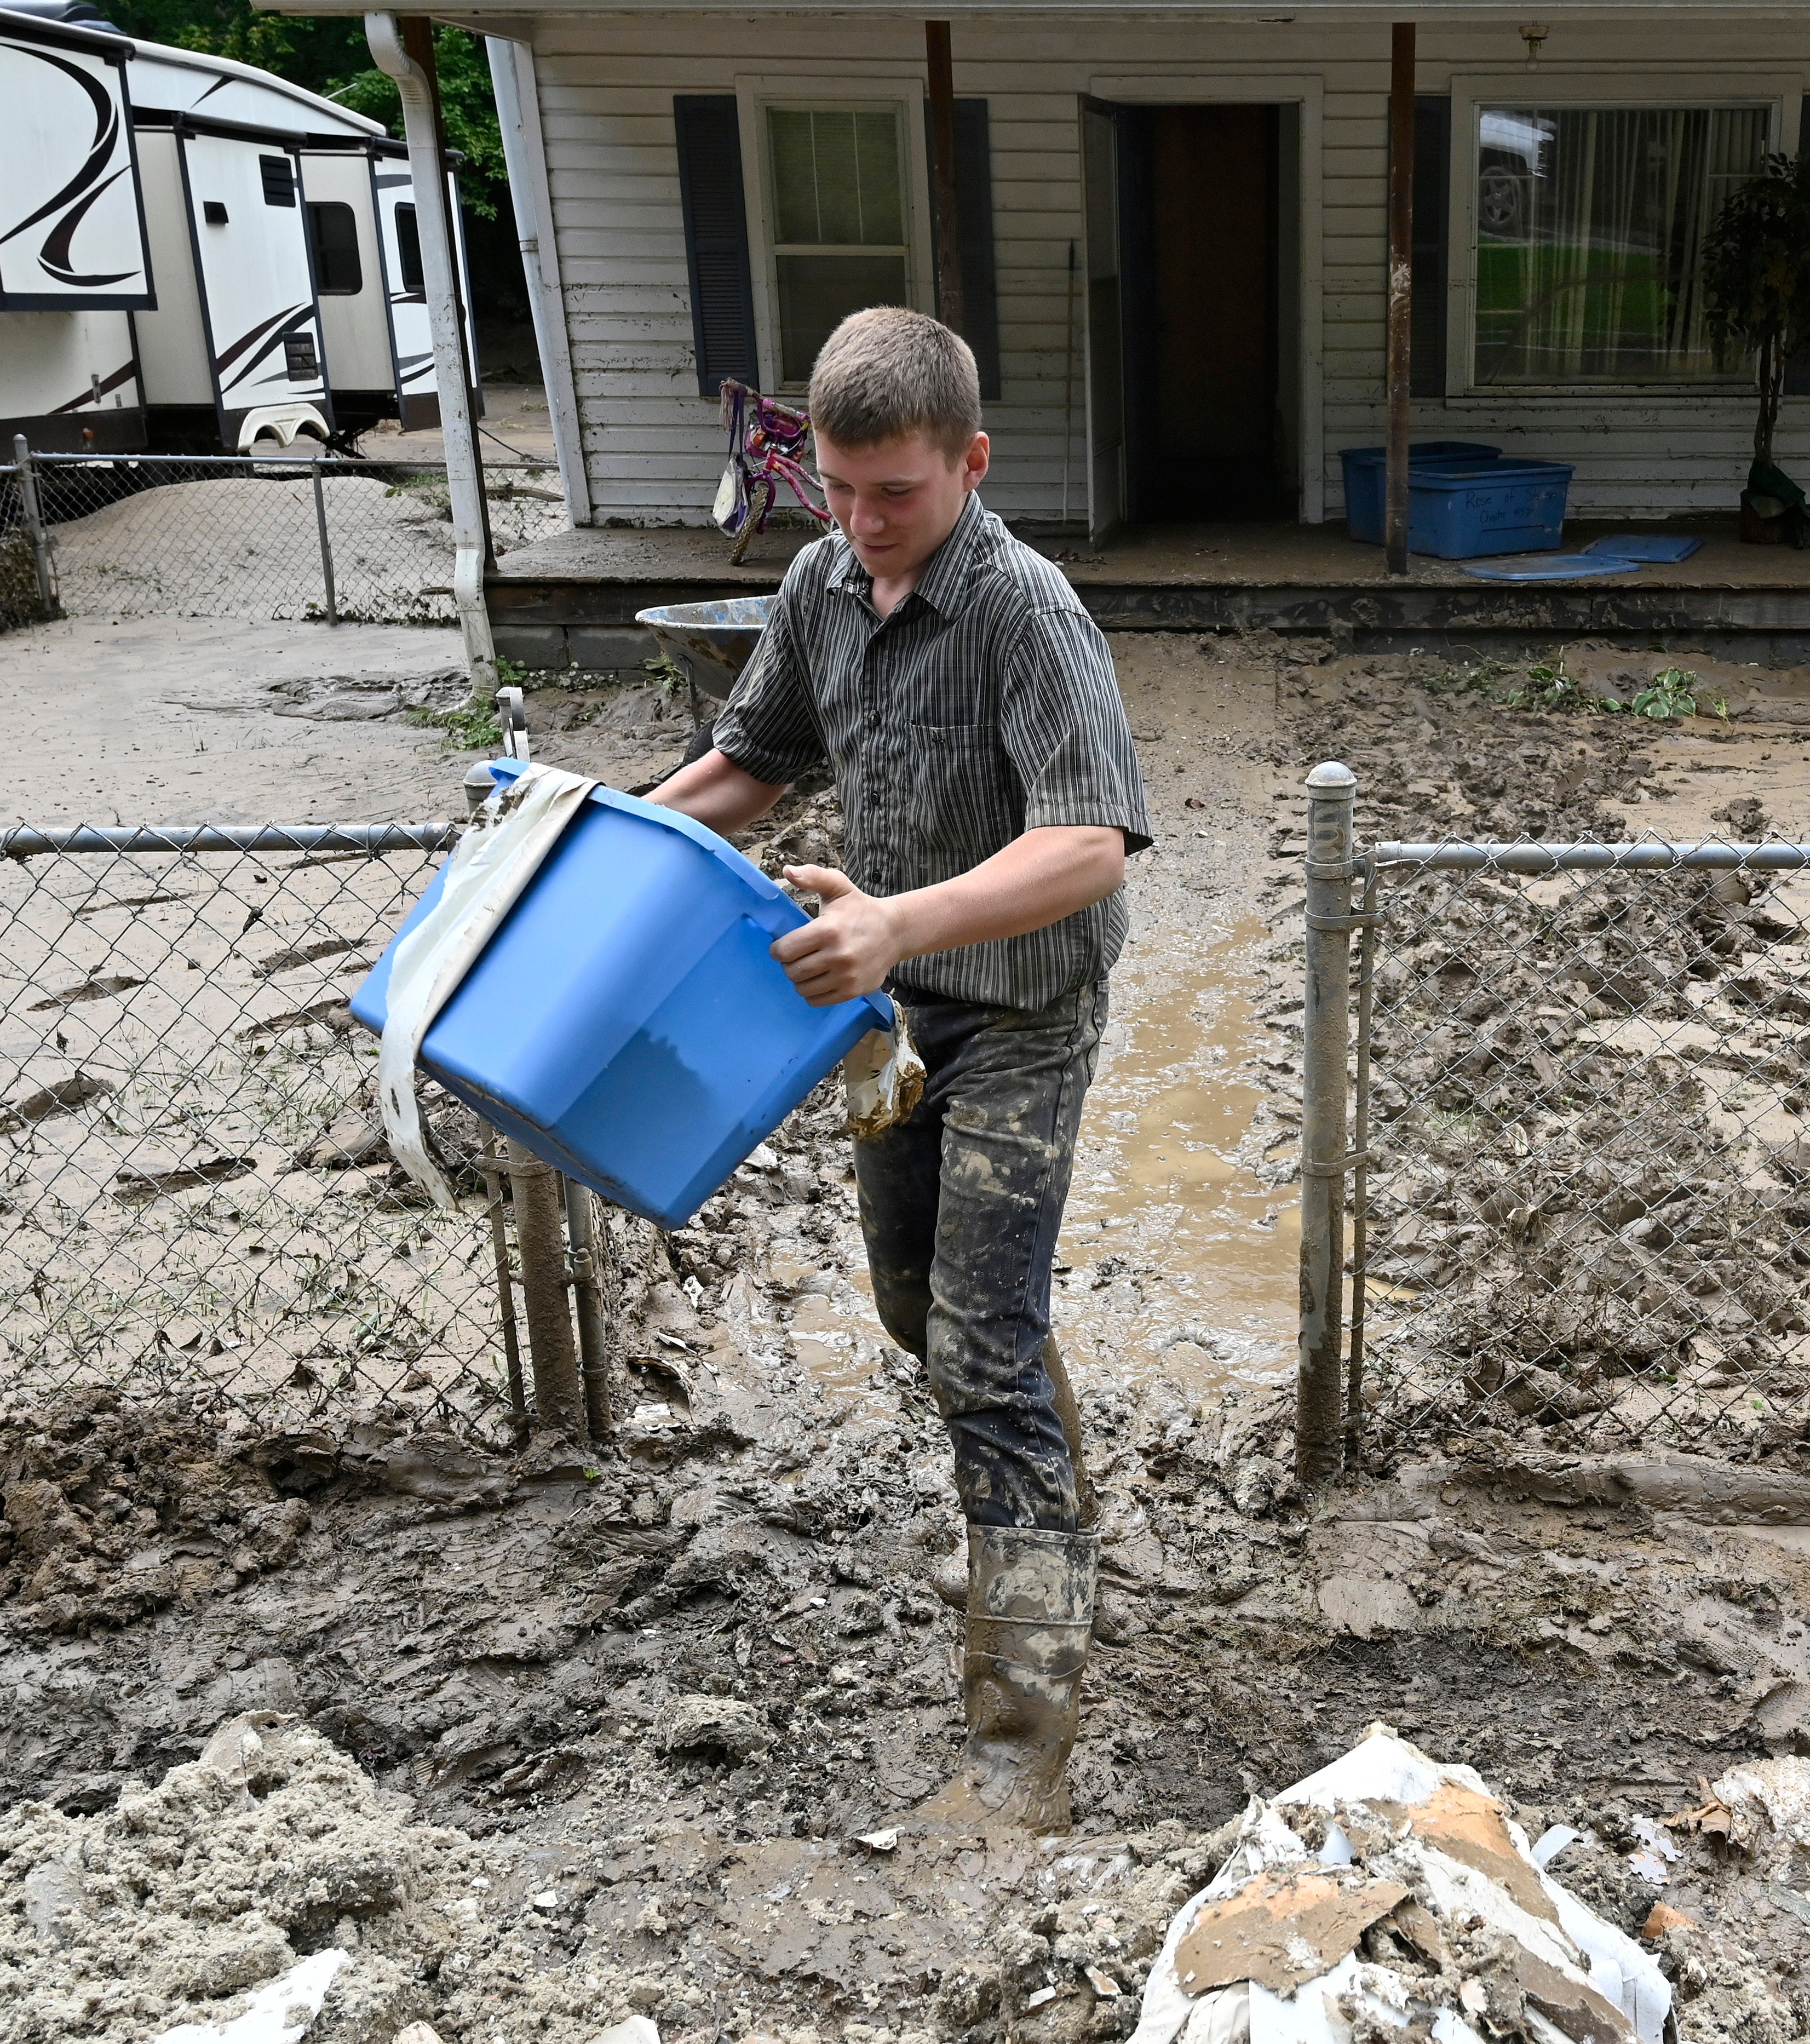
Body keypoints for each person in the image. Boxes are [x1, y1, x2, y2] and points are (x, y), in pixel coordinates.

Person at [648, 307, 1151, 1833]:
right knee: (917, 1310)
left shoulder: (1026, 608)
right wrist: (596, 845)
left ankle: (1020, 1748)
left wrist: (897, 923)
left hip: (1020, 1011)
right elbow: (751, 763)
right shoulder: (819, 584)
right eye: (840, 489)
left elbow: (1091, 840)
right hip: (888, 1020)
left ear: (971, 463)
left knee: (983, 1350)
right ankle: (1052, 1521)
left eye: (898, 494)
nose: (865, 522)